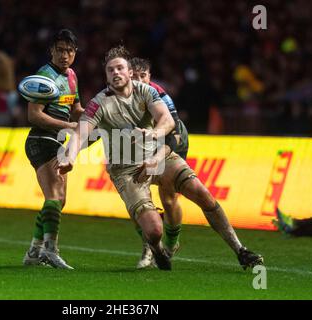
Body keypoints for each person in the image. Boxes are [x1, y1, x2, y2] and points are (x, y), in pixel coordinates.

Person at [58, 45, 263, 271]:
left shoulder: (149, 92)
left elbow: (168, 121)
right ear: (106, 76)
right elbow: (81, 133)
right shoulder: (100, 102)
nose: (115, 73)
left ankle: (240, 250)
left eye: (119, 68)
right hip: (126, 169)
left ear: (129, 72)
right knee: (154, 230)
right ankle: (156, 248)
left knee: (201, 193)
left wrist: (154, 137)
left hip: (159, 155)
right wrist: (70, 155)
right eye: (110, 70)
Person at [22, 29, 84, 269]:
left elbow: (76, 108)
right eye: (60, 50)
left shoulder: (72, 77)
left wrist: (95, 116)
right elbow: (34, 115)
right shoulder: (43, 76)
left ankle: (33, 252)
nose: (64, 55)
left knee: (60, 200)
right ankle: (50, 251)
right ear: (51, 51)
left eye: (69, 50)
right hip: (41, 139)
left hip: (57, 142)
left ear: (75, 52)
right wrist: (68, 125)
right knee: (54, 196)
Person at [130, 57, 189, 268]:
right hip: (142, 143)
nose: (138, 80)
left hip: (170, 142)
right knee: (136, 199)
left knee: (169, 198)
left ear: (149, 77)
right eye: (134, 76)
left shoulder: (161, 96)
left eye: (142, 76)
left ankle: (171, 245)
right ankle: (149, 246)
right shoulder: (120, 94)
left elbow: (172, 129)